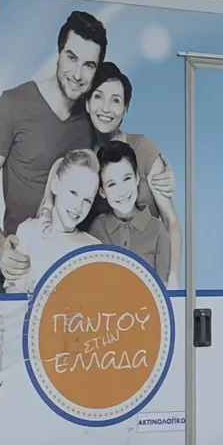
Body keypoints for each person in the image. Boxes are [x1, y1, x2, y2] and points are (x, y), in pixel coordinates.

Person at [0, 10, 107, 290]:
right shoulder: (13, 106)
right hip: (22, 272)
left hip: (76, 275)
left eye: (89, 65)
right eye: (71, 58)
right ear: (58, 52)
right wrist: (0, 245)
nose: (78, 74)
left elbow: (120, 164)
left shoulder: (93, 117)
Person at [80, 62, 181, 285]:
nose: (106, 108)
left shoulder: (143, 147)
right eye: (98, 97)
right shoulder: (83, 159)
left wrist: (172, 278)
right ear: (87, 103)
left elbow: (170, 219)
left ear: (125, 109)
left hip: (149, 268)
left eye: (116, 100)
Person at [12, 149, 102, 292]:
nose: (78, 206)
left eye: (87, 200)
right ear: (55, 185)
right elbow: (12, 298)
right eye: (73, 192)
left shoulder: (93, 248)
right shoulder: (28, 233)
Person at [89, 140, 174, 284]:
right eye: (112, 184)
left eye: (127, 178)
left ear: (137, 178)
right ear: (102, 191)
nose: (122, 191)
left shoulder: (158, 230)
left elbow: (163, 288)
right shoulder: (97, 229)